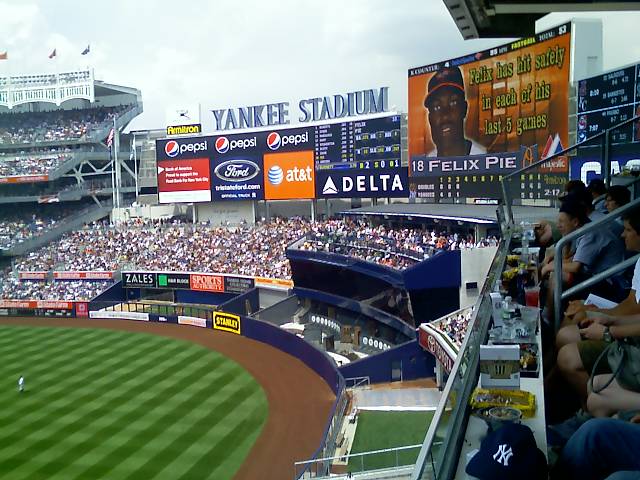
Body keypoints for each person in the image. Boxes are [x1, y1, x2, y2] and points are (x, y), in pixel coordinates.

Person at [423, 66, 486, 157]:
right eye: (437, 107)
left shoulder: (483, 159)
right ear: (430, 119)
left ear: (464, 109)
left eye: (453, 102)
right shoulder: (425, 165)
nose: (445, 115)